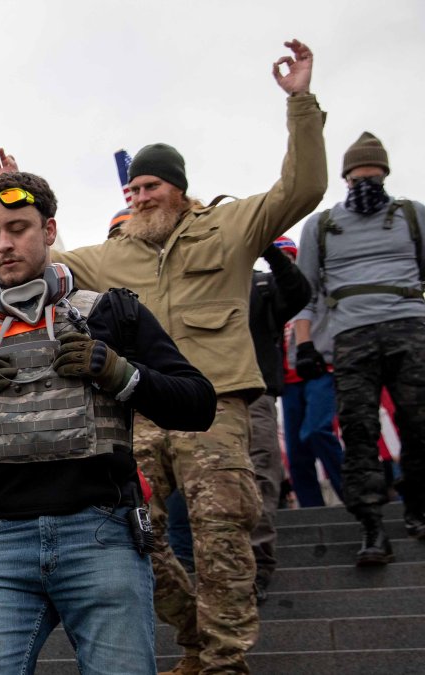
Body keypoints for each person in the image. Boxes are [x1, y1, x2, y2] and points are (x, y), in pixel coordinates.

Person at [49, 40, 326, 674]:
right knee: (125, 532)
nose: (139, 197)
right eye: (132, 188)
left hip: (217, 410)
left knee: (223, 535)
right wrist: (0, 193)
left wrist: (301, 103)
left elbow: (303, 186)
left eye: (149, 186)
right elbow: (45, 259)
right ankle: (195, 639)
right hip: (142, 413)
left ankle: (225, 662)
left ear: (176, 188)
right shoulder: (111, 255)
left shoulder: (230, 229)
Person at [0, 169, 216, 674]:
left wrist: (121, 374)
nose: (5, 244)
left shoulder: (112, 314)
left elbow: (198, 405)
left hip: (100, 533)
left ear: (49, 231)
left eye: (19, 228)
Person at [294, 131, 425, 564]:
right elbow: (305, 293)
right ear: (346, 178)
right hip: (351, 338)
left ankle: (418, 506)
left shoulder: (412, 215)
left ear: (385, 175)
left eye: (375, 175)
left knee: (418, 425)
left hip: (410, 328)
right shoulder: (323, 225)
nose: (367, 182)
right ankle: (371, 525)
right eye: (359, 176)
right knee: (358, 431)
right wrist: (305, 346)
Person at [246, 236, 312, 602]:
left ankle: (257, 565)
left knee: (260, 478)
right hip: (202, 399)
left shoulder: (261, 284)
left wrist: (270, 251)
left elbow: (299, 293)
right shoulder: (188, 283)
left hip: (255, 393)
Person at [282, 277, 346, 507]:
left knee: (316, 429)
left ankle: (352, 494)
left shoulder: (318, 290)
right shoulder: (273, 295)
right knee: (296, 452)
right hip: (288, 380)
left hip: (320, 369)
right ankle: (311, 509)